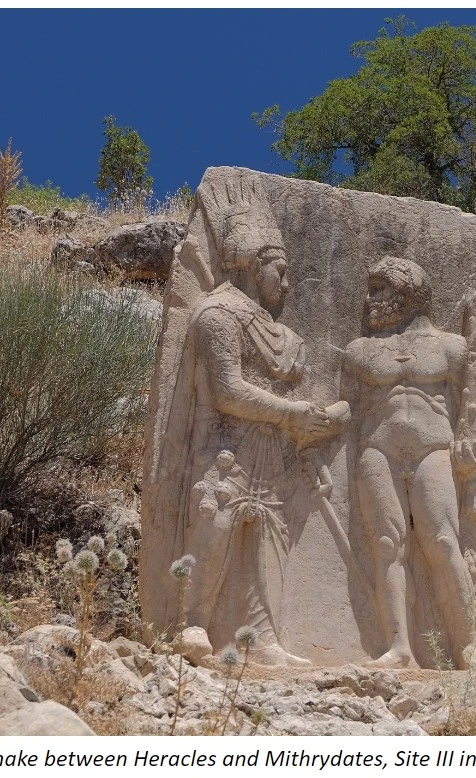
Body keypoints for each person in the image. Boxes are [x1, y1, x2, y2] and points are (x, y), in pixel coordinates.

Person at [176, 180, 337, 664]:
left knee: (270, 541)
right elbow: (227, 391)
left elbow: (289, 401)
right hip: (224, 447)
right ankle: (192, 623)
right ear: (251, 263)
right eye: (280, 272)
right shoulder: (217, 315)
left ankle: (264, 641)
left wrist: (310, 440)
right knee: (217, 527)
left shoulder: (281, 334)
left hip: (274, 454)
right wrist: (292, 414)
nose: (285, 286)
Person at [340, 256, 476, 669]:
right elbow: (349, 408)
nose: (369, 301)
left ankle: (467, 645)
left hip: (433, 450)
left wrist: (472, 447)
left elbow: (475, 407)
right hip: (378, 451)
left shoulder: (451, 347)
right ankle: (399, 647)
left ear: (405, 293)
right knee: (387, 545)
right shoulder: (360, 351)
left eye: (378, 290)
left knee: (443, 542)